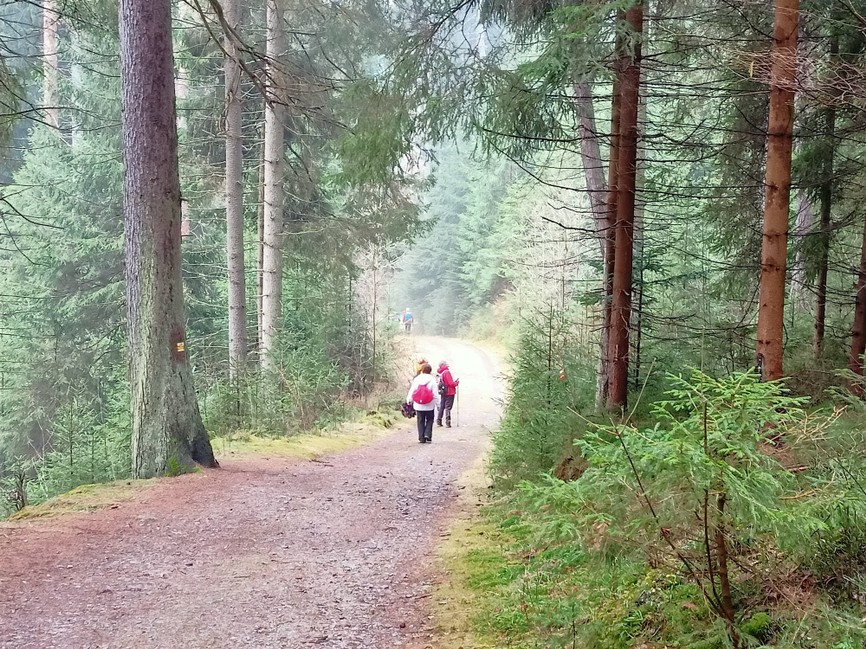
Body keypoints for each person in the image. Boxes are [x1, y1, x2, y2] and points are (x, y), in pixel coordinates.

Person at [406, 363, 439, 443]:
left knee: (420, 420)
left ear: (422, 370)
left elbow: (412, 390)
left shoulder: (417, 379)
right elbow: (435, 394)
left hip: (418, 405)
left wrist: (409, 400)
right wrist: (438, 404)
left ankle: (421, 437)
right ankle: (427, 434)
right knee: (430, 419)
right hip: (430, 404)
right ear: (430, 371)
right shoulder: (432, 380)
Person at [436, 360, 459, 427]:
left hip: (443, 391)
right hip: (449, 392)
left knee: (442, 406)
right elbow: (450, 383)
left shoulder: (441, 373)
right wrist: (456, 383)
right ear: (444, 365)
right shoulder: (447, 372)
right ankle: (448, 422)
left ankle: (439, 420)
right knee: (448, 407)